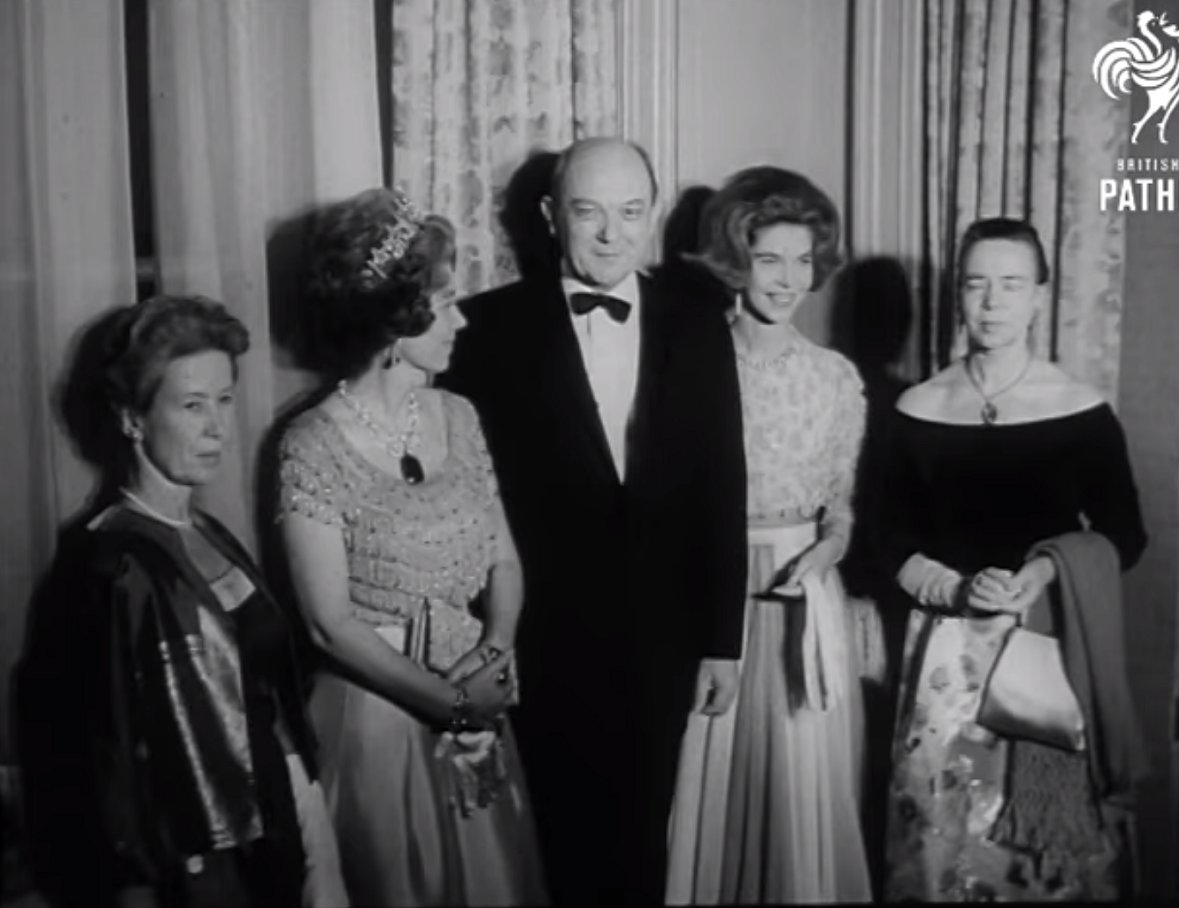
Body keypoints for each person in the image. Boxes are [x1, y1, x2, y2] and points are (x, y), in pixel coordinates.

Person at [439, 137, 748, 904]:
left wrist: (721, 642)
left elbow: (722, 483)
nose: (612, 234)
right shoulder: (484, 330)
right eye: (589, 212)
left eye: (632, 213)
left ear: (652, 217)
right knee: (551, 845)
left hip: (664, 637)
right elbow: (467, 498)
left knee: (643, 840)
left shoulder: (700, 319)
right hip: (540, 635)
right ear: (550, 217)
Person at [277, 187, 546, 906]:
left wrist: (490, 665)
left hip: (477, 696)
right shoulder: (310, 443)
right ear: (397, 318)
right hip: (377, 724)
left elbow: (506, 562)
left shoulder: (459, 414)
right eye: (447, 300)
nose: (461, 318)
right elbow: (327, 624)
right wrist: (451, 705)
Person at [33, 295, 346, 908]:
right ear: (131, 418)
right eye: (192, 405)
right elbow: (112, 765)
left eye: (225, 400)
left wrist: (315, 838)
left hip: (281, 835)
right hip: (198, 876)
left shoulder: (211, 533)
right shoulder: (111, 565)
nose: (217, 427)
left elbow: (269, 699)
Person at [880, 217, 1149, 901]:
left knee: (1040, 854)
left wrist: (1044, 571)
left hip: (1049, 648)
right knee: (939, 838)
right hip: (945, 656)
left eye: (1011, 284)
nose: (993, 303)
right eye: (977, 285)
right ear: (957, 296)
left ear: (1038, 296)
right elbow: (884, 541)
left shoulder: (1080, 409)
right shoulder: (917, 407)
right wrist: (957, 589)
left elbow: (1125, 532)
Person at [664, 166, 873, 903]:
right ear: (735, 260)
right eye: (770, 259)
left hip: (801, 597)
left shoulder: (835, 379)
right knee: (706, 777)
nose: (789, 280)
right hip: (710, 592)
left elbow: (841, 506)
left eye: (803, 260)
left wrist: (827, 550)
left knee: (799, 786)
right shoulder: (687, 361)